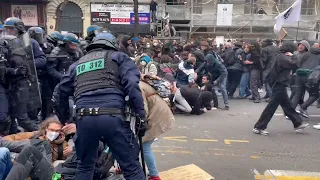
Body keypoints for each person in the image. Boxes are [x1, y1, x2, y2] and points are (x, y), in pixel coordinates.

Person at [56, 32, 146, 180]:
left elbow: (60, 92)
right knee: (131, 167)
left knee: (84, 166)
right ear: (113, 46)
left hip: (84, 119)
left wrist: (66, 118)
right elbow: (132, 86)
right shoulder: (119, 58)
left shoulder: (77, 64)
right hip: (113, 117)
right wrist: (141, 116)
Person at [253, 42, 309, 135]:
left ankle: (298, 123)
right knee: (272, 106)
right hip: (279, 83)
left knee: (287, 105)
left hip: (279, 83)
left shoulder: (279, 56)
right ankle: (259, 126)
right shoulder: (283, 57)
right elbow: (295, 65)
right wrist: (293, 56)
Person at [2, 17, 43, 133]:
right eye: (7, 29)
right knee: (9, 116)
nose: (8, 31)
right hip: (7, 84)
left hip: (23, 83)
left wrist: (28, 65)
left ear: (18, 29)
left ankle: (42, 133)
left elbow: (42, 59)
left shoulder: (29, 42)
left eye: (11, 29)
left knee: (23, 116)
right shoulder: (4, 44)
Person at [4, 118, 71, 179]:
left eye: (57, 131)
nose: (54, 133)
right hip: (23, 164)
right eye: (52, 130)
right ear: (46, 129)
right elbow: (12, 137)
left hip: (42, 170)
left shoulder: (62, 145)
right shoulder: (35, 135)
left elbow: (66, 163)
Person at [139, 75, 175, 180]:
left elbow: (143, 109)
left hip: (156, 117)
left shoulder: (137, 87)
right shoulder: (140, 82)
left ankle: (154, 175)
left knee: (144, 145)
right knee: (140, 144)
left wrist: (142, 123)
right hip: (159, 113)